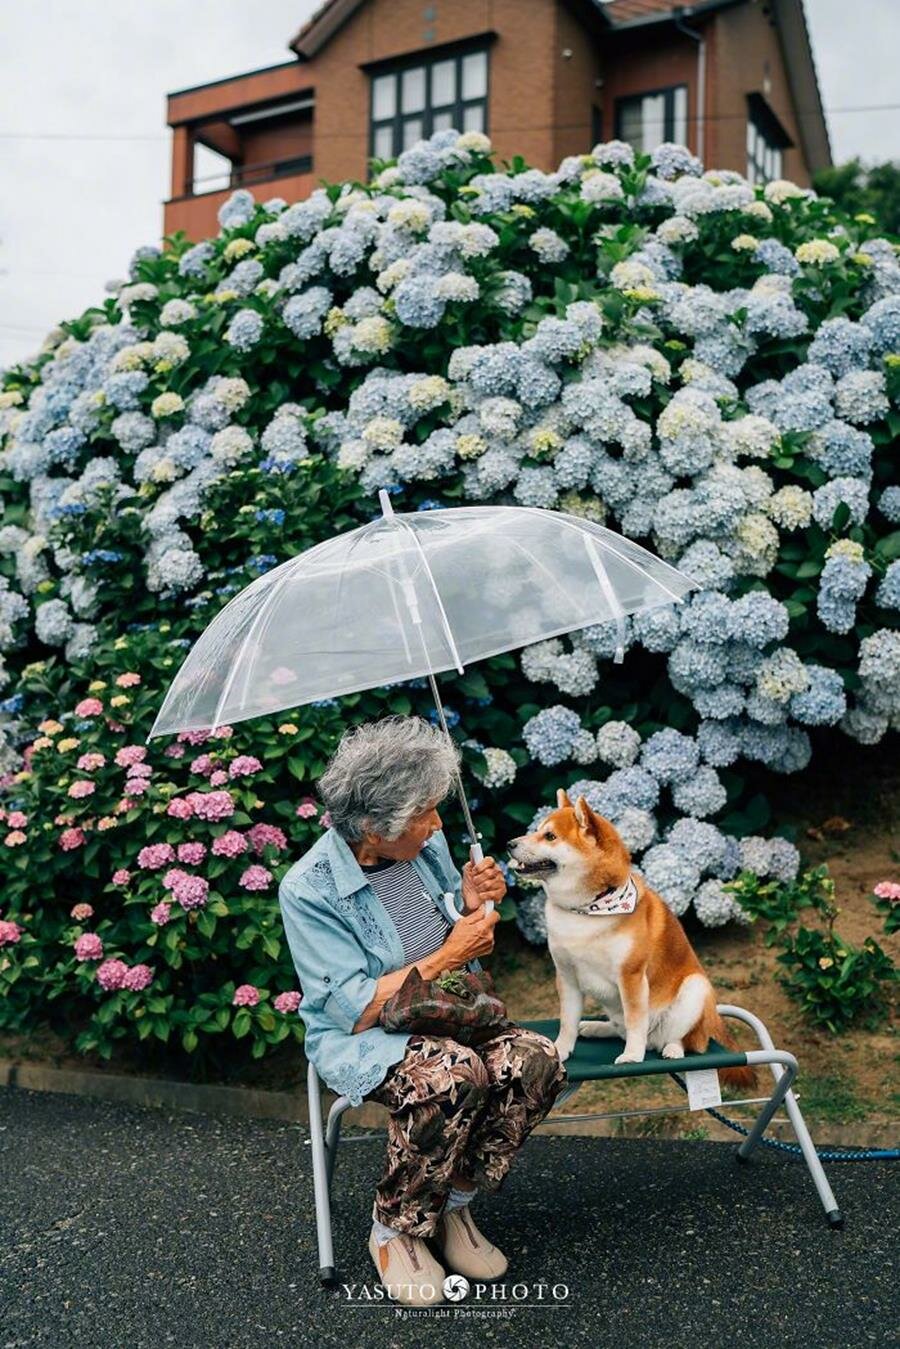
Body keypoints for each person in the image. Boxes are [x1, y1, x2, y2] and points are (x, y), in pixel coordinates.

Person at [278, 714, 566, 1306]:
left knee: (535, 1059)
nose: (436, 825)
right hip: (366, 1034)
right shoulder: (308, 889)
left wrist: (467, 900)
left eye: (436, 809)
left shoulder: (424, 845)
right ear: (372, 829)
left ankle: (453, 1204)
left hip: (449, 1012)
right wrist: (447, 954)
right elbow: (353, 1008)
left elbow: (436, 917)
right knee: (451, 1076)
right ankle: (397, 1229)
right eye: (421, 816)